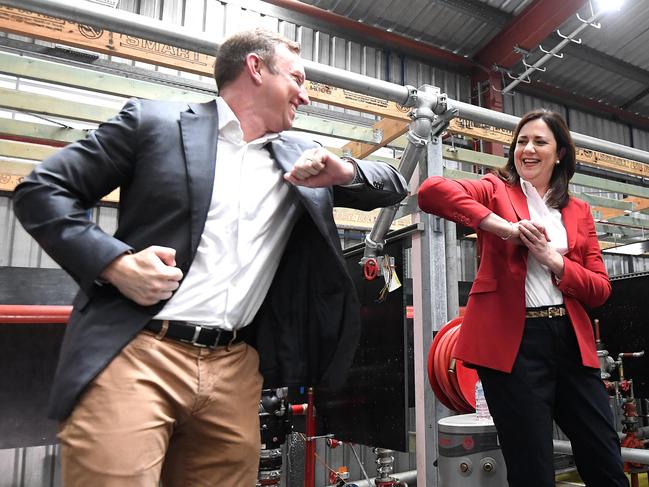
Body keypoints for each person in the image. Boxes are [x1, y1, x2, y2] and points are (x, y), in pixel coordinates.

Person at [13, 28, 408, 487]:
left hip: (235, 367)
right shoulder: (153, 123)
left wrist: (347, 170)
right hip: (139, 351)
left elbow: (393, 183)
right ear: (256, 69)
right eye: (298, 79)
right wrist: (115, 264)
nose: (306, 96)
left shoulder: (301, 157)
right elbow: (42, 190)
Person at [418, 109, 628, 487]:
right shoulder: (495, 188)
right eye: (521, 141)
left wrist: (556, 263)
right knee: (531, 467)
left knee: (604, 456)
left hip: (570, 343)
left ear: (560, 152)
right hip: (513, 349)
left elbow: (600, 289)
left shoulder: (578, 211)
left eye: (540, 141)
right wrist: (503, 228)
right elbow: (431, 192)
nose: (527, 149)